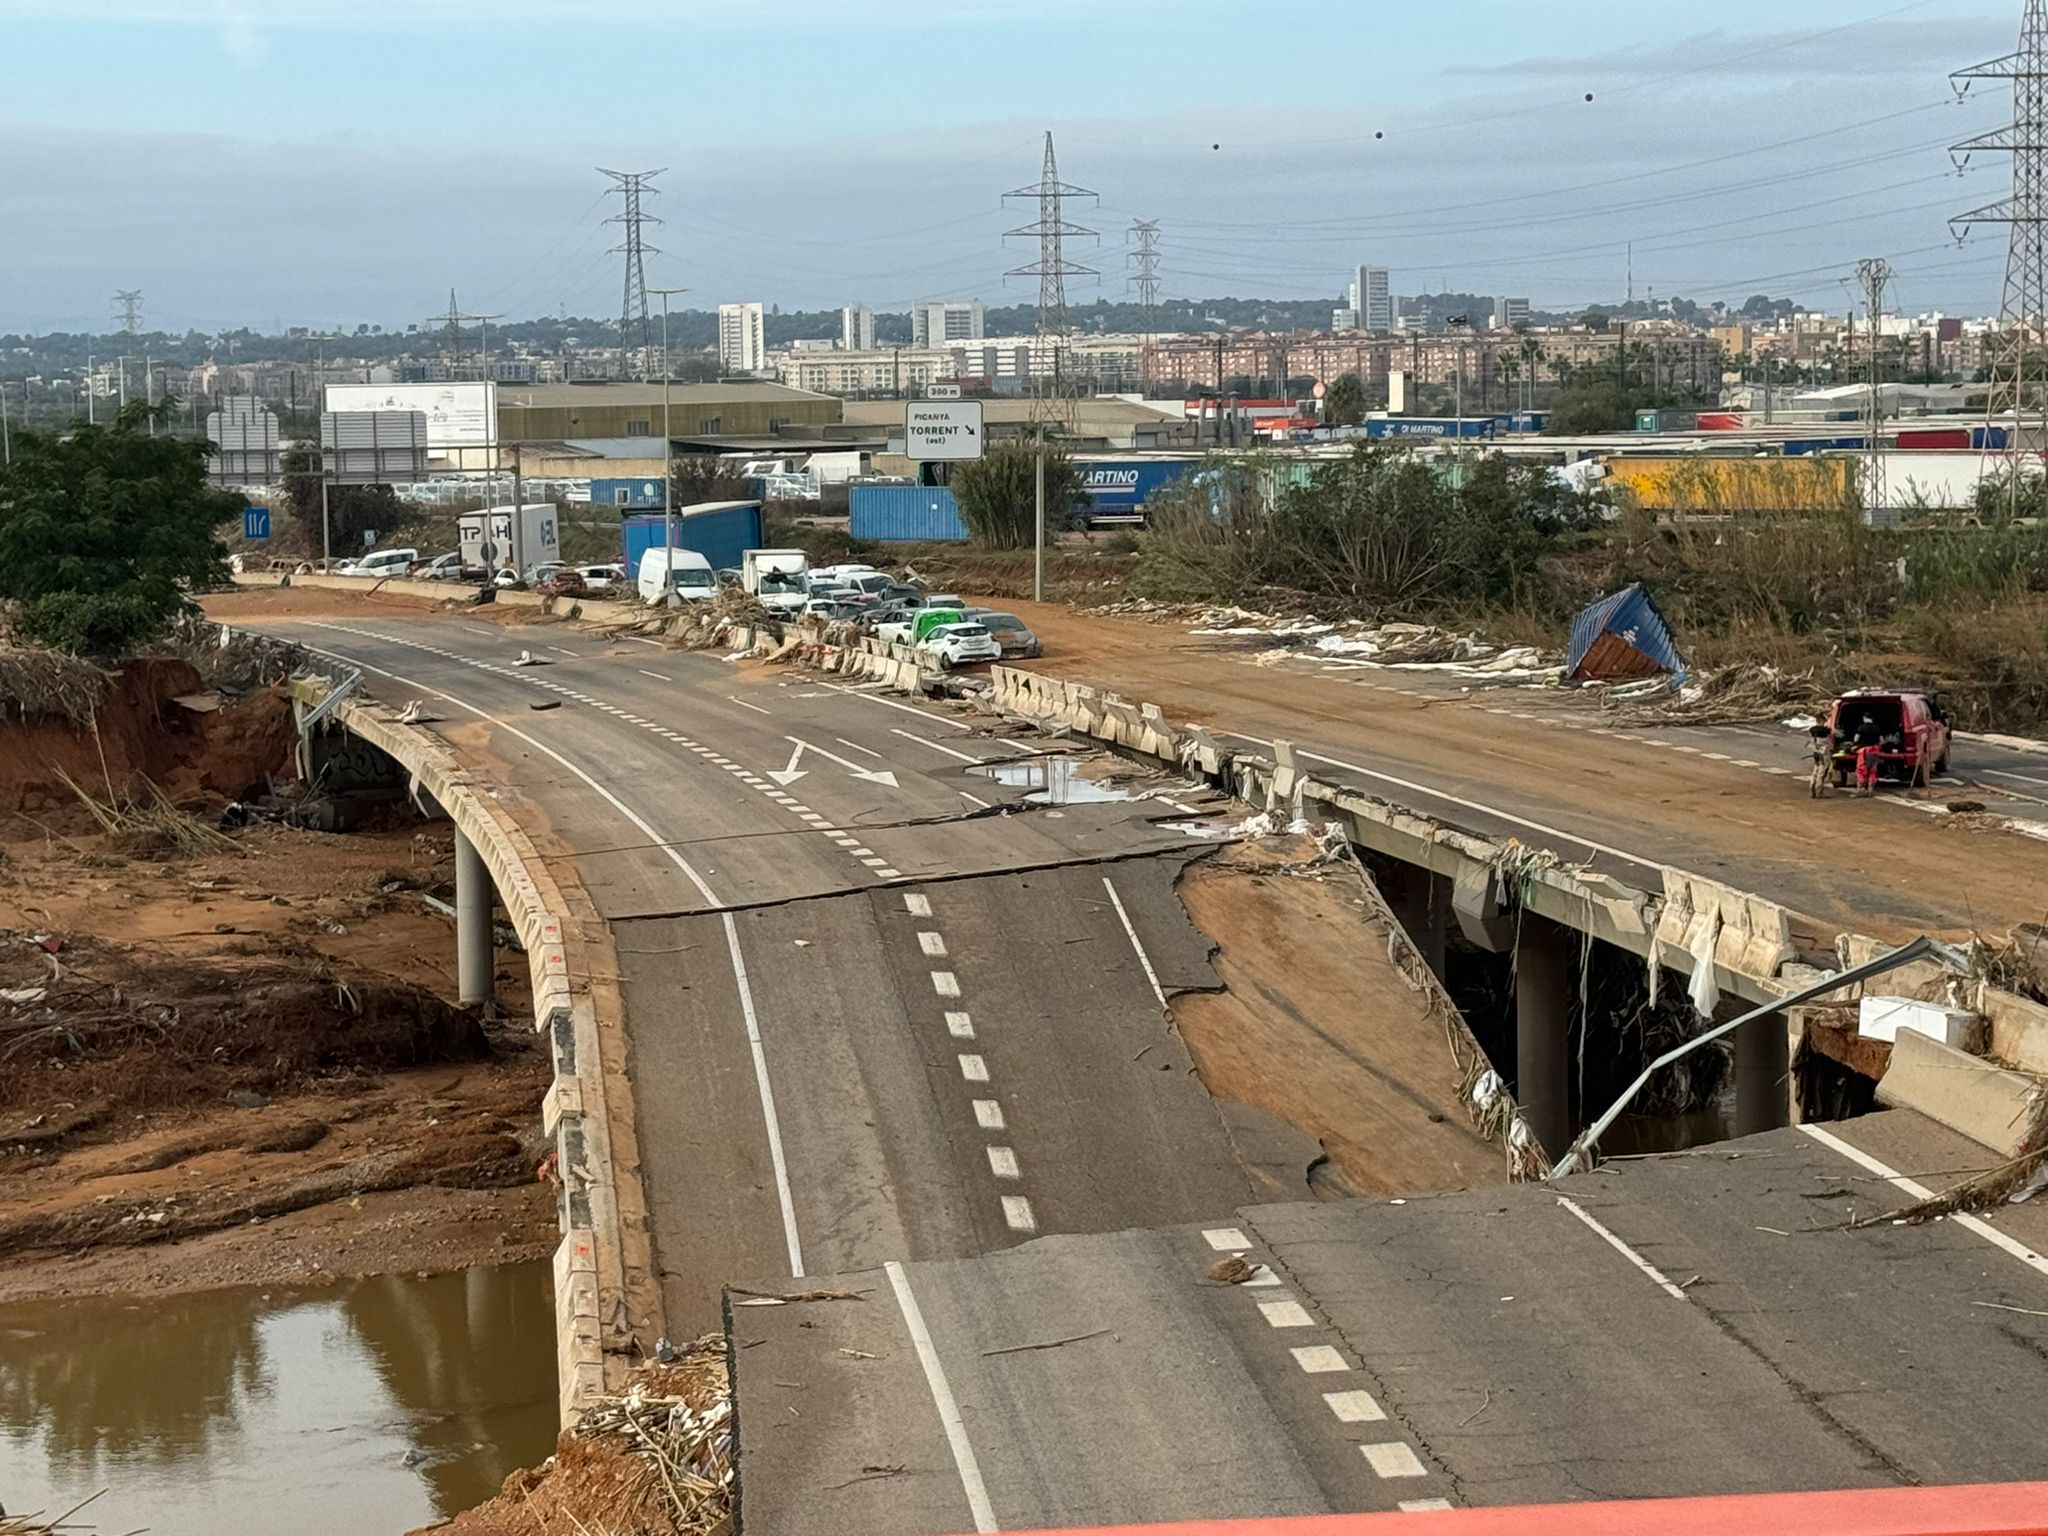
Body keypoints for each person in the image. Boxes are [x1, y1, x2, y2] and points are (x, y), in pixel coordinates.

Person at [1851, 711, 1885, 794]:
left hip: (1864, 752)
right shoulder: (1877, 728)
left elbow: (1856, 739)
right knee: (1873, 770)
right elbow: (1882, 741)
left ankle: (1861, 790)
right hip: (1875, 751)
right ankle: (1870, 790)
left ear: (1864, 718)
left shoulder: (1861, 727)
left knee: (1862, 770)